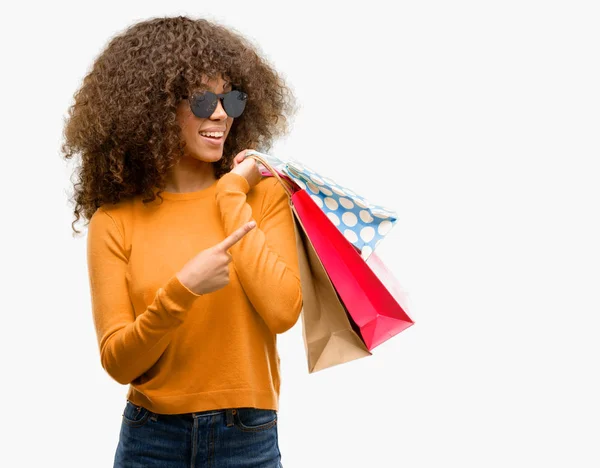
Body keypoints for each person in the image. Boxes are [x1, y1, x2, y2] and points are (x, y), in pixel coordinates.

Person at [61, 15, 302, 467]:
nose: (219, 113)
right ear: (151, 109)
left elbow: (283, 310)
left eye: (230, 98)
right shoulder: (114, 220)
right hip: (151, 440)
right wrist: (182, 290)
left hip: (247, 437)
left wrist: (231, 191)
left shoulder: (262, 193)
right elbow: (118, 363)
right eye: (202, 99)